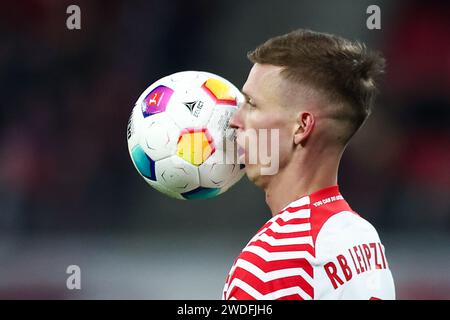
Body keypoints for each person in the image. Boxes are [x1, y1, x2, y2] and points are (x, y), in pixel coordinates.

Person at [223, 29, 395, 300]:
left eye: (252, 104)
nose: (235, 119)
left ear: (301, 127)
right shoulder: (365, 240)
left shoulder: (272, 261)